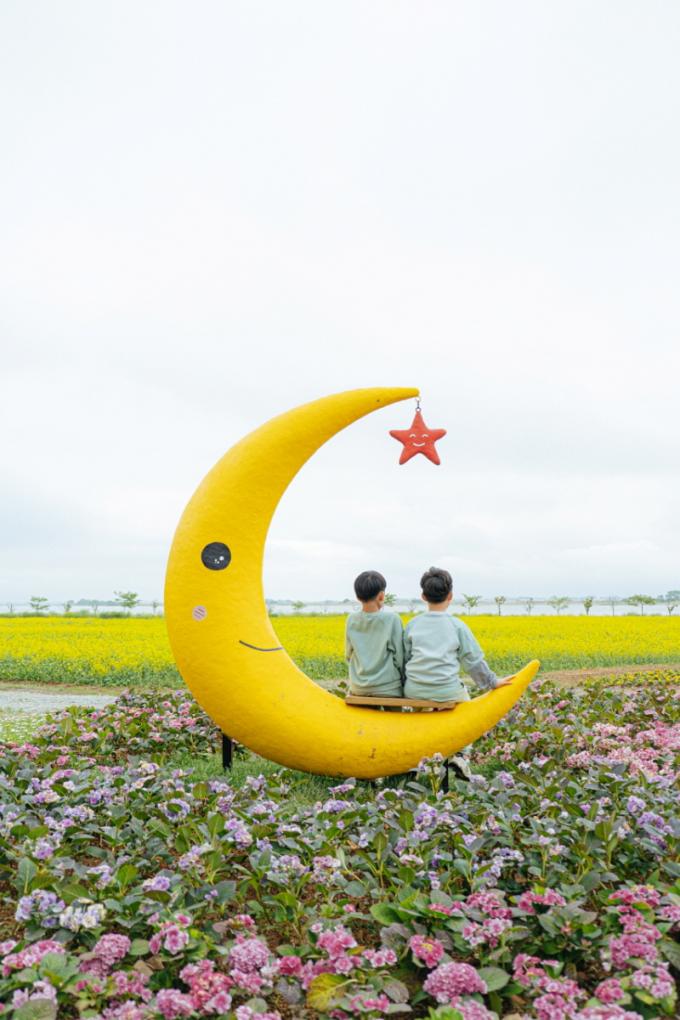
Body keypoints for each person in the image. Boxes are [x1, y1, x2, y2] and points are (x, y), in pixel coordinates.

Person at [404, 566, 512, 778]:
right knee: (467, 709)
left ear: (423, 596)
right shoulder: (457, 626)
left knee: (419, 720)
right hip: (447, 691)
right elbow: (472, 660)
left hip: (414, 691)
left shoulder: (413, 624)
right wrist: (492, 682)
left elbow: (405, 658)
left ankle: (421, 758)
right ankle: (461, 755)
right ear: (450, 596)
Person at [345, 570, 404, 699]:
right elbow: (400, 657)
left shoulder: (351, 619)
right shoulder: (392, 619)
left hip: (359, 687)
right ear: (381, 596)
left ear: (358, 597)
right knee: (394, 711)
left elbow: (348, 655)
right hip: (389, 688)